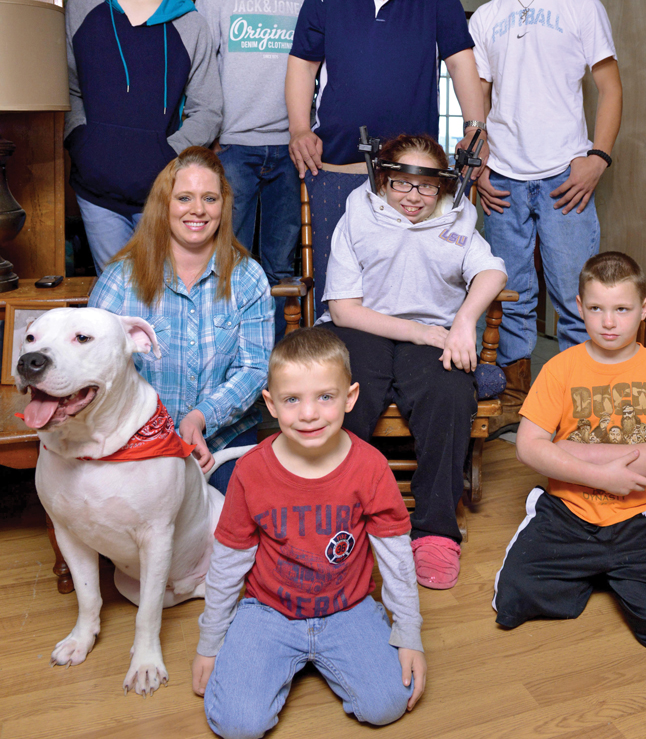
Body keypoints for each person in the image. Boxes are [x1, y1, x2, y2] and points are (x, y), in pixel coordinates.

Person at [191, 327, 426, 736]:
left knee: (388, 703)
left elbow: (396, 556)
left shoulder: (370, 467)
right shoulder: (249, 472)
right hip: (269, 612)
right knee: (236, 724)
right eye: (292, 400)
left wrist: (409, 634)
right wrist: (210, 643)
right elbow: (229, 562)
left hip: (347, 608)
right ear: (271, 404)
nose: (309, 414)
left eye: (325, 397)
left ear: (350, 398)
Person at [285, 0, 488, 319]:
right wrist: (300, 129)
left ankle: (408, 367)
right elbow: (302, 66)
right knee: (335, 286)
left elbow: (461, 62)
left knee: (409, 287)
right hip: (337, 165)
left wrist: (475, 126)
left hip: (411, 176)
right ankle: (336, 375)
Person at [320, 135, 507, 589]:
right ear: (383, 179)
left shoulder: (459, 214)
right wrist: (422, 332)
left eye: (425, 187)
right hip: (361, 326)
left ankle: (435, 532)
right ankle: (338, 520)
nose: (413, 197)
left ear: (443, 186)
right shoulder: (359, 210)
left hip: (433, 331)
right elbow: (345, 309)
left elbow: (492, 270)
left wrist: (464, 322)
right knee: (350, 392)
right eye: (402, 184)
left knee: (449, 391)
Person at [469, 0, 623, 438]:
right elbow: (477, 102)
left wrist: (597, 158)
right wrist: (478, 167)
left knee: (578, 297)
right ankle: (518, 409)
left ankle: (585, 417)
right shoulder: (486, 17)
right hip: (504, 178)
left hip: (566, 175)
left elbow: (610, 88)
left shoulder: (582, 7)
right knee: (508, 299)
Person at [494, 252, 646, 657]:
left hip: (641, 513)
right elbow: (527, 447)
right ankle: (596, 564)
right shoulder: (560, 367)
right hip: (571, 512)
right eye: (597, 309)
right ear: (579, 307)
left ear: (643, 309)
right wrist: (603, 476)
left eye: (621, 309)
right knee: (512, 603)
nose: (609, 322)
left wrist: (568, 449)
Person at [89, 147, 273, 494]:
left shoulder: (248, 278)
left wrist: (201, 417)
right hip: (138, 440)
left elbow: (254, 369)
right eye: (184, 197)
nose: (198, 210)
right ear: (165, 205)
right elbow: (98, 369)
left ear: (223, 206)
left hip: (223, 439)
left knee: (240, 522)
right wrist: (151, 438)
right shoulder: (118, 281)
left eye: (210, 198)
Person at [65, 0, 222, 274]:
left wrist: (167, 157)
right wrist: (82, 143)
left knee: (165, 297)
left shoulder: (192, 24)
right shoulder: (82, 8)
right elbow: (67, 90)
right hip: (95, 191)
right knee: (117, 304)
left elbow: (209, 109)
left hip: (162, 194)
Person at [196, 0, 315, 340]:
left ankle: (279, 362)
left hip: (292, 148)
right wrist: (210, 131)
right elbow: (202, 68)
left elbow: (323, 69)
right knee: (230, 256)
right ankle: (232, 353)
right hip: (234, 146)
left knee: (281, 263)